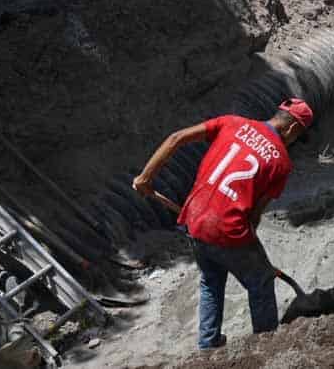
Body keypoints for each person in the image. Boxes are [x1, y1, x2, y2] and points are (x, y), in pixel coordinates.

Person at [132, 98, 314, 350]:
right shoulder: (281, 162)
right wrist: (252, 253)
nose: (294, 141)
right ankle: (266, 349)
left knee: (211, 280)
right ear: (293, 129)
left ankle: (208, 345)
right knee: (260, 280)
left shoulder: (232, 122)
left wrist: (145, 177)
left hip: (194, 219)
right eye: (298, 135)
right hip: (227, 228)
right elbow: (254, 216)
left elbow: (175, 138)